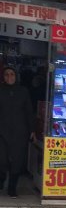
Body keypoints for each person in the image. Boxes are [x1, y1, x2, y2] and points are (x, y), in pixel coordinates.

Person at [0, 67, 35, 198]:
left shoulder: (23, 91)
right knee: (2, 159)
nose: (9, 77)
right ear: (3, 77)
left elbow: (29, 111)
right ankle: (1, 179)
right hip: (2, 131)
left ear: (16, 76)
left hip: (20, 132)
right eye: (6, 74)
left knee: (17, 161)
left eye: (12, 74)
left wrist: (32, 130)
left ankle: (12, 188)